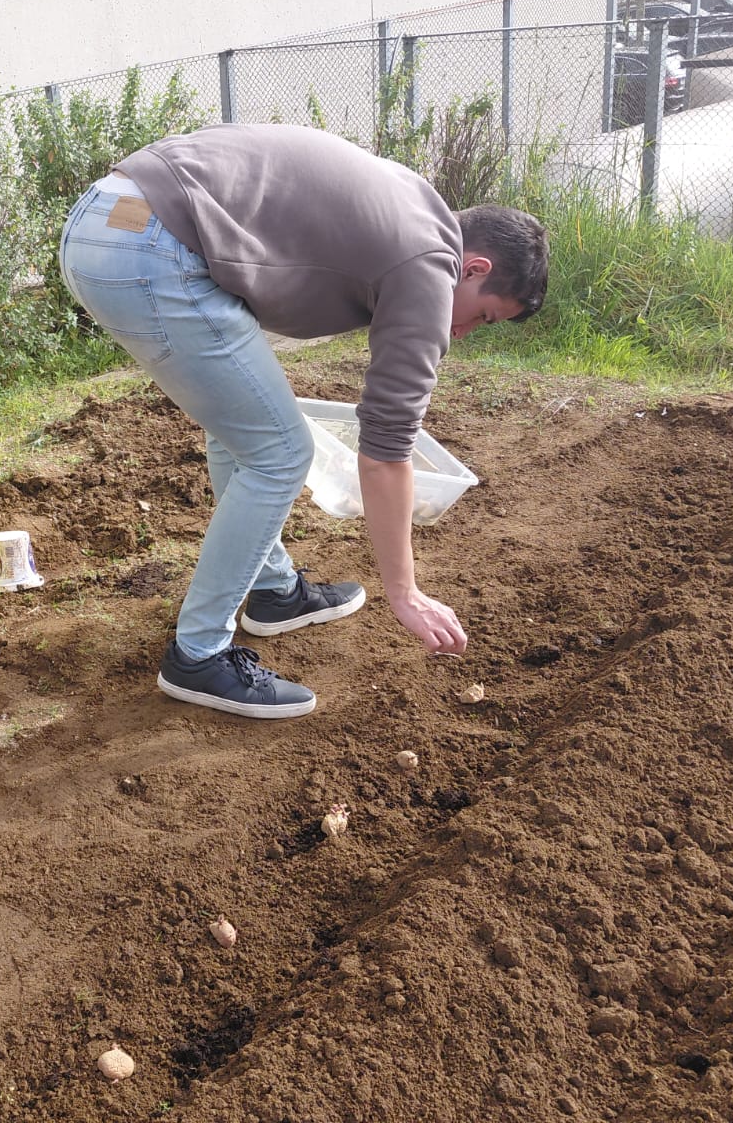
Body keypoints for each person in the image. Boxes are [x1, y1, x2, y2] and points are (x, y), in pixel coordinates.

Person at [57, 123, 547, 720]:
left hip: (108, 216)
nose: (463, 333)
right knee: (282, 451)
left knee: (244, 426)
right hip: (151, 244)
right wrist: (404, 592)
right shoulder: (429, 265)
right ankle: (199, 655)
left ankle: (271, 591)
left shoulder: (417, 208)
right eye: (484, 317)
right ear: (473, 267)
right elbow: (388, 448)